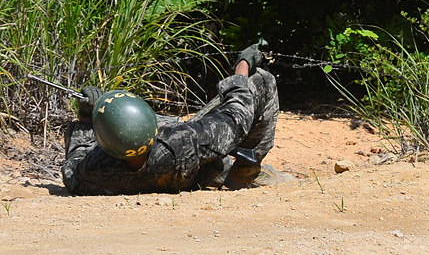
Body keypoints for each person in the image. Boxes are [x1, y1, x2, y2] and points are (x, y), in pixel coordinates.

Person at [62, 46, 280, 196]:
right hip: (193, 164)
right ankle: (244, 171)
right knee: (261, 81)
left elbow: (74, 165)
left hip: (181, 176)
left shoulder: (94, 171)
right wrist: (242, 66)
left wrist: (85, 117)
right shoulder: (181, 143)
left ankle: (226, 170)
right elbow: (235, 118)